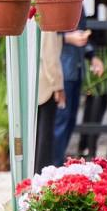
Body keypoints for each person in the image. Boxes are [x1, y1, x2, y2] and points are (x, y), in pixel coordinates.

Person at [52, 24, 105, 166]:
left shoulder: (80, 6)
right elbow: (45, 37)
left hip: (76, 71)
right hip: (61, 72)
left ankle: (57, 164)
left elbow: (82, 35)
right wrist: (67, 38)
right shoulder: (54, 3)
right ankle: (53, 166)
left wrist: (93, 57)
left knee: (69, 120)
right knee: (60, 122)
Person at [34, 24, 65, 174]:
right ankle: (40, 175)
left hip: (33, 83)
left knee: (36, 134)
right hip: (45, 84)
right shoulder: (48, 18)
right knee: (44, 135)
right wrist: (58, 85)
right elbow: (50, 56)